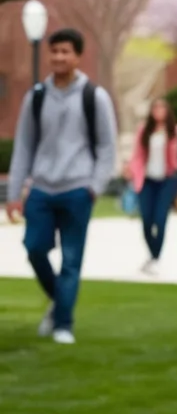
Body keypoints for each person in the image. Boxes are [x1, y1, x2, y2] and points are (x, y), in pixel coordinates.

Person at [4, 28, 118, 345]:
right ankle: (60, 301)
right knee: (34, 249)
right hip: (41, 188)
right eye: (54, 51)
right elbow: (24, 146)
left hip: (77, 189)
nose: (58, 57)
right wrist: (15, 193)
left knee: (71, 259)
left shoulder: (94, 96)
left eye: (65, 52)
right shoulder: (37, 97)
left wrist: (94, 186)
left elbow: (108, 147)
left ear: (77, 56)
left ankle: (63, 323)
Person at [125, 97, 177, 274]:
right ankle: (152, 254)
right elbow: (137, 154)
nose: (158, 111)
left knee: (160, 219)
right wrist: (132, 171)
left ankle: (156, 257)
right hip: (148, 180)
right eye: (155, 107)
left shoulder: (175, 131)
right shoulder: (144, 130)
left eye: (161, 107)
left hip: (166, 180)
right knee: (147, 220)